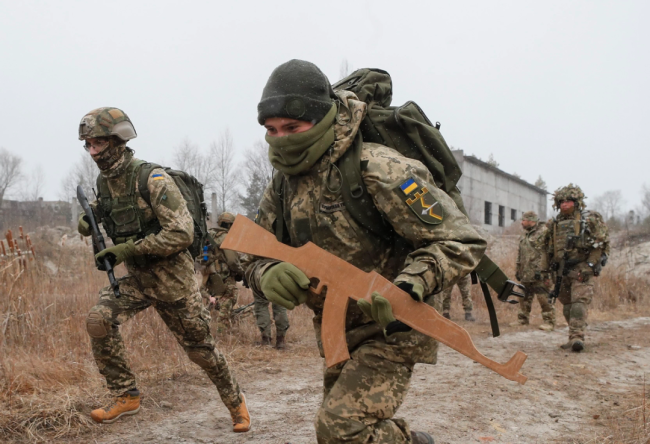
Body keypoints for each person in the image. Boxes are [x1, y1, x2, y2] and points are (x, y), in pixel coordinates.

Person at [245, 60, 486, 444]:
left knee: (339, 429)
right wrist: (265, 273)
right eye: (271, 130)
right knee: (342, 434)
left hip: (396, 327)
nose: (281, 139)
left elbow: (460, 241)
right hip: (337, 329)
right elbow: (252, 249)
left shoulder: (379, 168)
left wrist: (409, 286)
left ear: (322, 117)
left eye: (293, 128)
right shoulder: (283, 185)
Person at [76, 107, 250, 431]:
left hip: (175, 284)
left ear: (117, 139)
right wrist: (91, 217)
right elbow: (108, 207)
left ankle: (236, 403)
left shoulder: (152, 179)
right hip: (139, 280)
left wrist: (128, 248)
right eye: (87, 145)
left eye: (97, 143)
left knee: (202, 352)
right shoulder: (104, 183)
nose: (92, 151)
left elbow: (181, 233)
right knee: (99, 319)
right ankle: (125, 394)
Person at [543, 184, 609, 352]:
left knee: (579, 302)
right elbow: (547, 248)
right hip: (561, 270)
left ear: (577, 202)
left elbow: (600, 245)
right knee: (567, 305)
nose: (565, 204)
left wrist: (589, 266)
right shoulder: (554, 223)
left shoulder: (589, 219)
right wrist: (545, 272)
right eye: (562, 202)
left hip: (581, 268)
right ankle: (573, 335)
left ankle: (577, 337)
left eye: (569, 201)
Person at [196, 212, 244, 333]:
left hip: (211, 277)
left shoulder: (210, 235)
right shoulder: (227, 238)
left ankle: (203, 327)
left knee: (216, 303)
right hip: (225, 277)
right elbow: (233, 261)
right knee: (228, 302)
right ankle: (223, 333)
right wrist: (242, 273)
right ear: (229, 225)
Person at [514, 211, 555, 330]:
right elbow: (520, 254)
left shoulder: (544, 233)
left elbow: (548, 252)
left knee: (544, 298)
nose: (521, 222)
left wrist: (544, 270)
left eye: (524, 220)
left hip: (540, 273)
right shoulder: (525, 235)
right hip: (526, 272)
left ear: (531, 221)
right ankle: (522, 320)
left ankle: (549, 322)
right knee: (523, 297)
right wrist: (518, 269)